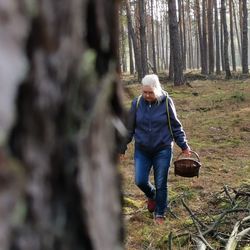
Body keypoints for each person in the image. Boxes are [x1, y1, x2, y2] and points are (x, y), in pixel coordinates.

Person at [120, 74, 191, 225]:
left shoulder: (166, 102)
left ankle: (160, 213)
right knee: (140, 180)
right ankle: (152, 195)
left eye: (150, 92)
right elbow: (129, 128)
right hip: (142, 149)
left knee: (161, 182)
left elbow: (176, 126)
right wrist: (122, 147)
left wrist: (184, 145)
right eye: (144, 92)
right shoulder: (137, 103)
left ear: (157, 90)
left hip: (163, 149)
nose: (147, 95)